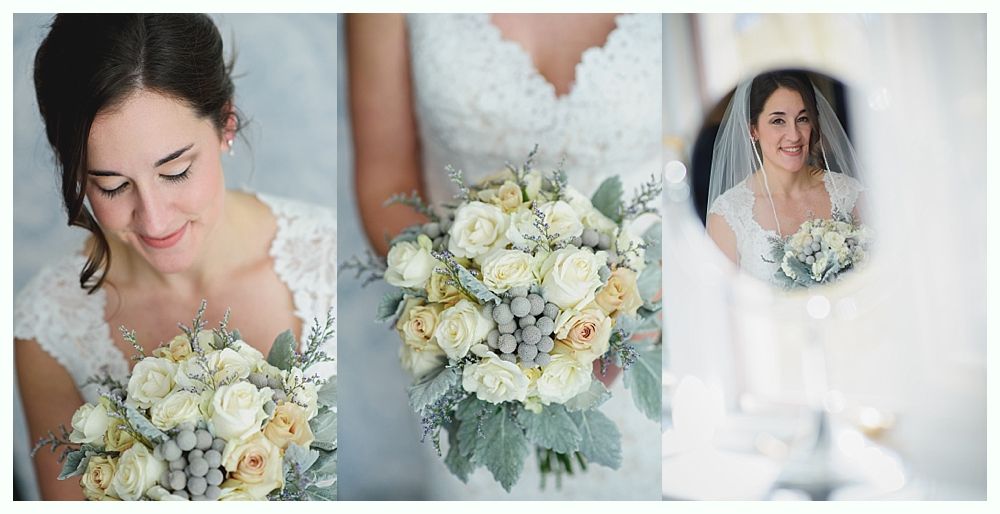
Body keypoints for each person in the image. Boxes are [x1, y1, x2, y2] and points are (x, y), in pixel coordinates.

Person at [13, 14, 336, 500]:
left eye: (176, 171)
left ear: (226, 123)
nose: (155, 220)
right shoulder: (47, 328)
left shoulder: (327, 253)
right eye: (112, 186)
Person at [347, 13, 661, 499]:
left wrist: (638, 306)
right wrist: (471, 315)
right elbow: (385, 179)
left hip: (646, 328)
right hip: (473, 358)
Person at [706, 70, 864, 285]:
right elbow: (721, 300)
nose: (794, 135)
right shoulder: (729, 215)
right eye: (778, 121)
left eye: (802, 119)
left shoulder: (848, 194)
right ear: (753, 130)